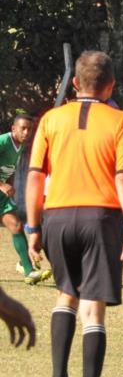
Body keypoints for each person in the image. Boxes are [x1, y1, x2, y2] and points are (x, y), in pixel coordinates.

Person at [26, 50, 123, 377]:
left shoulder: (50, 119)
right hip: (100, 217)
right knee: (93, 311)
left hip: (57, 216)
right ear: (111, 86)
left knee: (65, 296)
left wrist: (33, 226)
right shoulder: (121, 121)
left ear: (75, 83)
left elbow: (34, 176)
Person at [0, 114, 52, 284]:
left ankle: (28, 271)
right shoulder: (3, 141)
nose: (27, 132)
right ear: (13, 129)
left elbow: (10, 169)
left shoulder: (20, 146)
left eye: (30, 129)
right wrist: (2, 185)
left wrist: (10, 185)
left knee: (16, 226)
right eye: (23, 128)